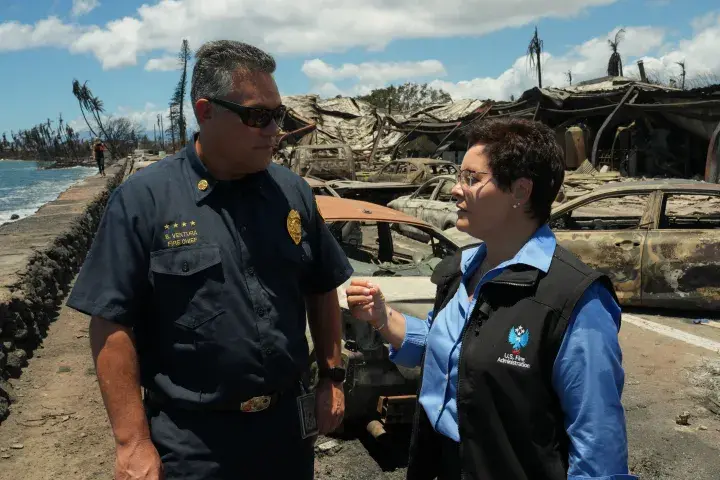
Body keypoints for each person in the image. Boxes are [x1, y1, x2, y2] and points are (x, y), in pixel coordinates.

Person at [66, 40, 353, 480]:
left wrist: (331, 377)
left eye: (279, 115)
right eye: (259, 116)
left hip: (285, 432)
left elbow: (321, 286)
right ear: (205, 112)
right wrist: (132, 441)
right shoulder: (144, 201)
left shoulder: (292, 193)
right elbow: (110, 322)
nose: (274, 128)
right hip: (193, 439)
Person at [346, 118, 636, 480]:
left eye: (471, 178)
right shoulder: (460, 270)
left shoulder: (574, 299)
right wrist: (382, 317)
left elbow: (597, 444)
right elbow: (451, 353)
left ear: (520, 192)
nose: (454, 190)